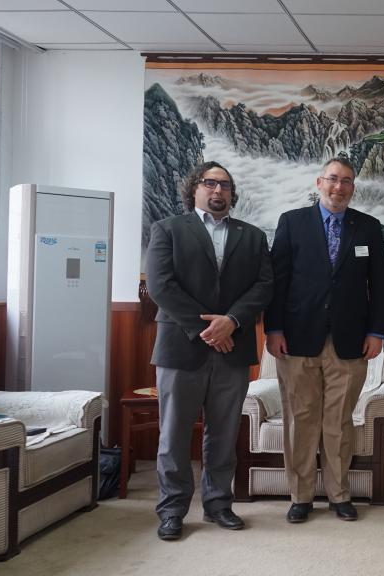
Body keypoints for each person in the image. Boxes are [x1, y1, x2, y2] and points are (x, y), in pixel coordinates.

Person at [145, 161, 273, 541]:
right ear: (195, 189)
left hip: (234, 348)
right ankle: (172, 511)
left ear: (232, 194)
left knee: (224, 433)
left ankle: (218, 504)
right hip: (181, 348)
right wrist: (209, 330)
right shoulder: (167, 229)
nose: (218, 190)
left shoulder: (253, 236)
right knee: (173, 434)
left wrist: (231, 321)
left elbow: (264, 286)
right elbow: (161, 286)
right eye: (210, 183)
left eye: (226, 185)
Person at [264, 157, 384, 523]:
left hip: (350, 342)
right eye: (333, 179)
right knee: (301, 419)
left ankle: (339, 495)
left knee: (339, 422)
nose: (339, 187)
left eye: (346, 181)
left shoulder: (367, 227)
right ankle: (300, 496)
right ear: (319, 183)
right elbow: (277, 281)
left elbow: (380, 285)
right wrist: (273, 329)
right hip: (297, 339)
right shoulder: (292, 222)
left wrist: (377, 332)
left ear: (353, 188)